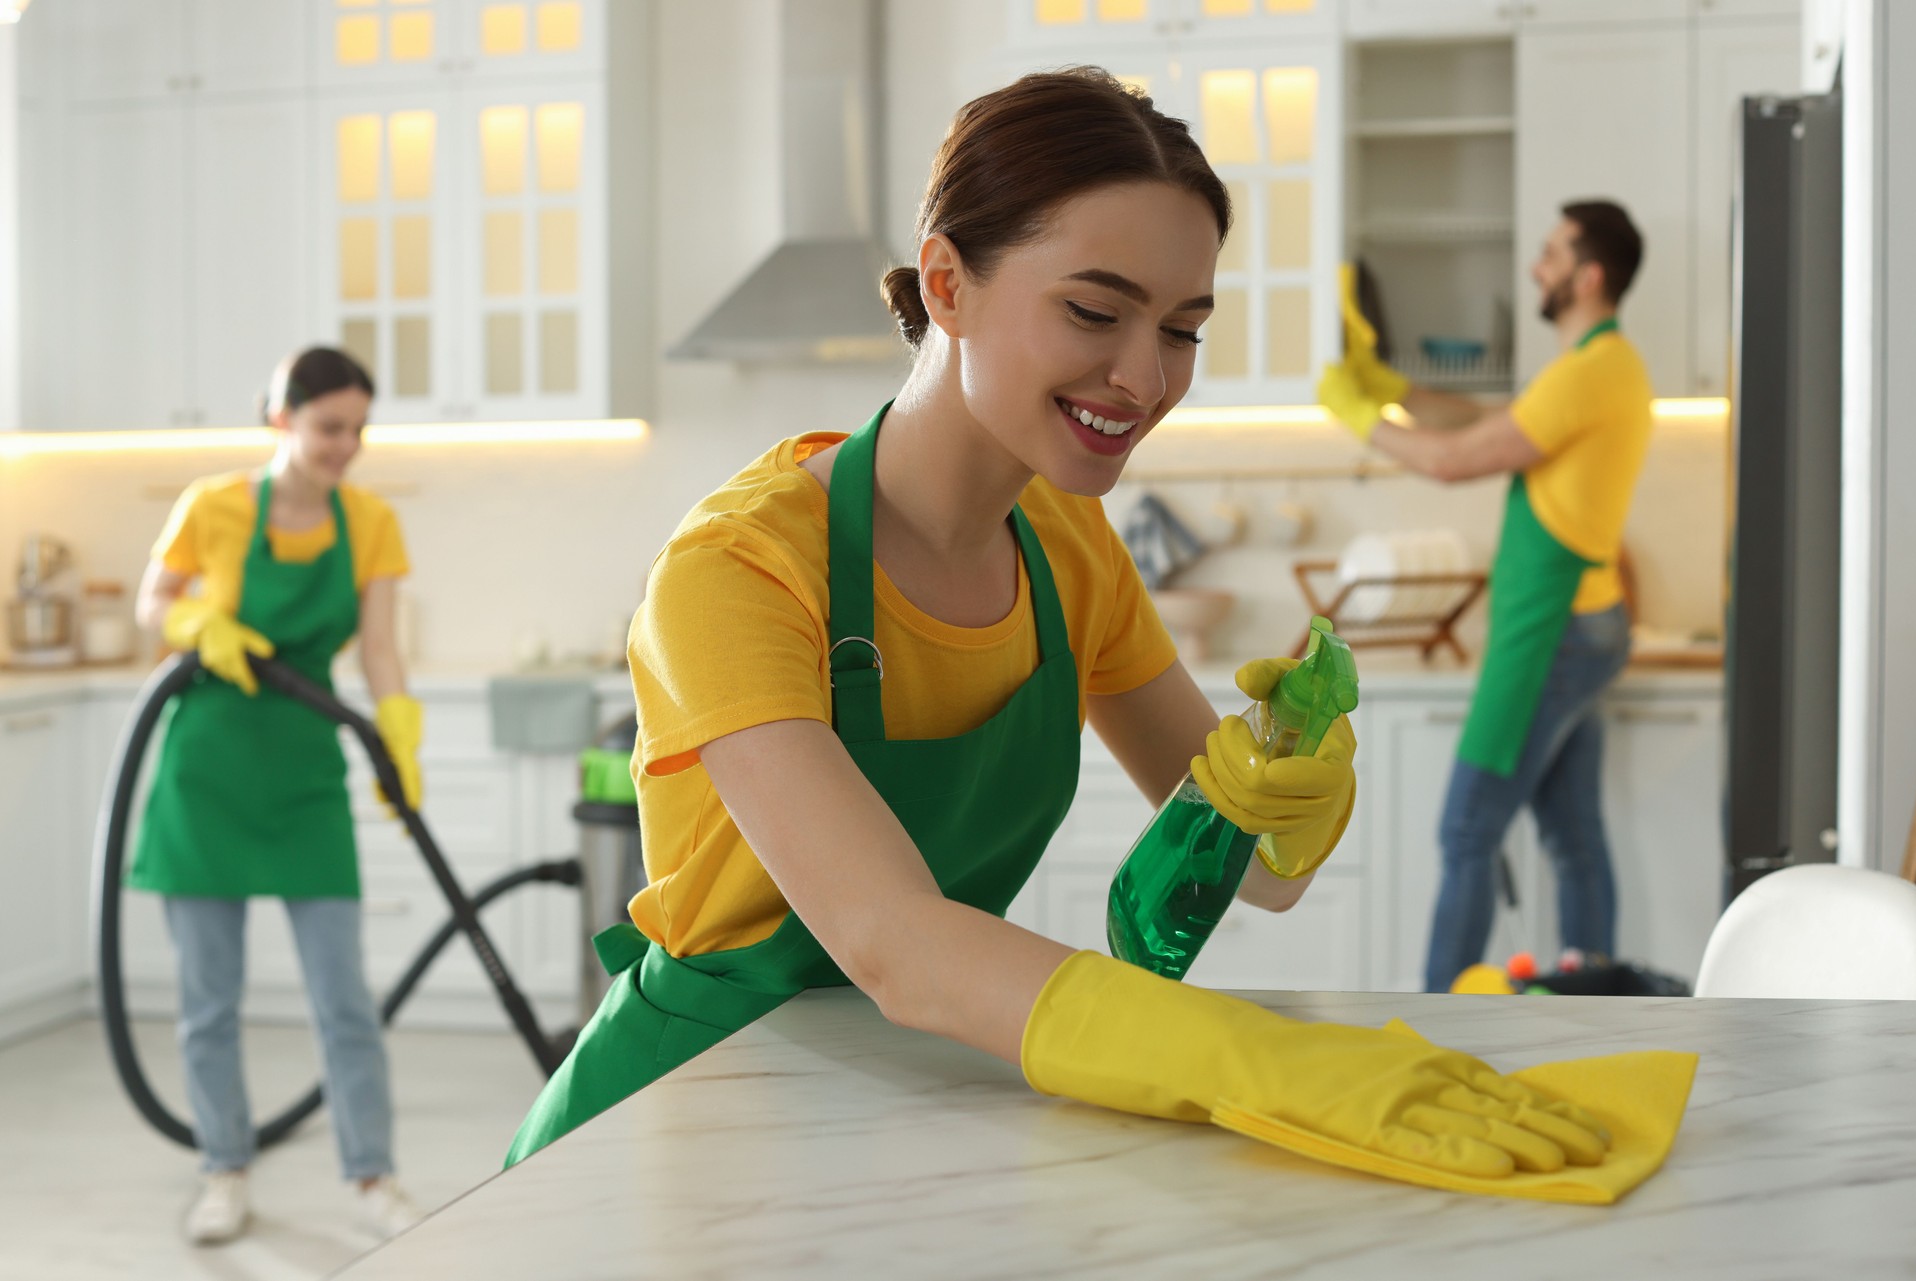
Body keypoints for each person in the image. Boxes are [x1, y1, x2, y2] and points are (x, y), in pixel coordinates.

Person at [508, 69, 1609, 1183]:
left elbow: (1265, 878)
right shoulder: (738, 569)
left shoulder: (1068, 550)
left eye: (1183, 328)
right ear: (947, 284)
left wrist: (1288, 800)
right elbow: (896, 944)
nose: (1144, 376)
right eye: (1094, 311)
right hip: (660, 1138)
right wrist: (1254, 1060)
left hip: (885, 1109)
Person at [130, 347, 428, 1243]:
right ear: (282, 419)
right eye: (330, 426)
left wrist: (398, 729)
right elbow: (153, 602)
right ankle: (224, 1171)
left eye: (357, 429)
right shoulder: (212, 505)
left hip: (305, 770)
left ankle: (373, 1176)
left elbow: (378, 646)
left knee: (343, 993)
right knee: (208, 1000)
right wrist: (196, 622)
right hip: (206, 767)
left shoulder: (371, 520)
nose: (347, 445)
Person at [1317, 201, 1653, 992]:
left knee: (1466, 828)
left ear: (1589, 273)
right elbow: (1484, 420)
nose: (1538, 266)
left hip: (1553, 632)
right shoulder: (1601, 367)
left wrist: (1357, 413)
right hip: (1582, 624)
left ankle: (1440, 1021)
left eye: (1552, 252)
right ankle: (1594, 995)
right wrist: (1389, 384)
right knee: (1573, 837)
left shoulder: (1592, 371)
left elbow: (1453, 459)